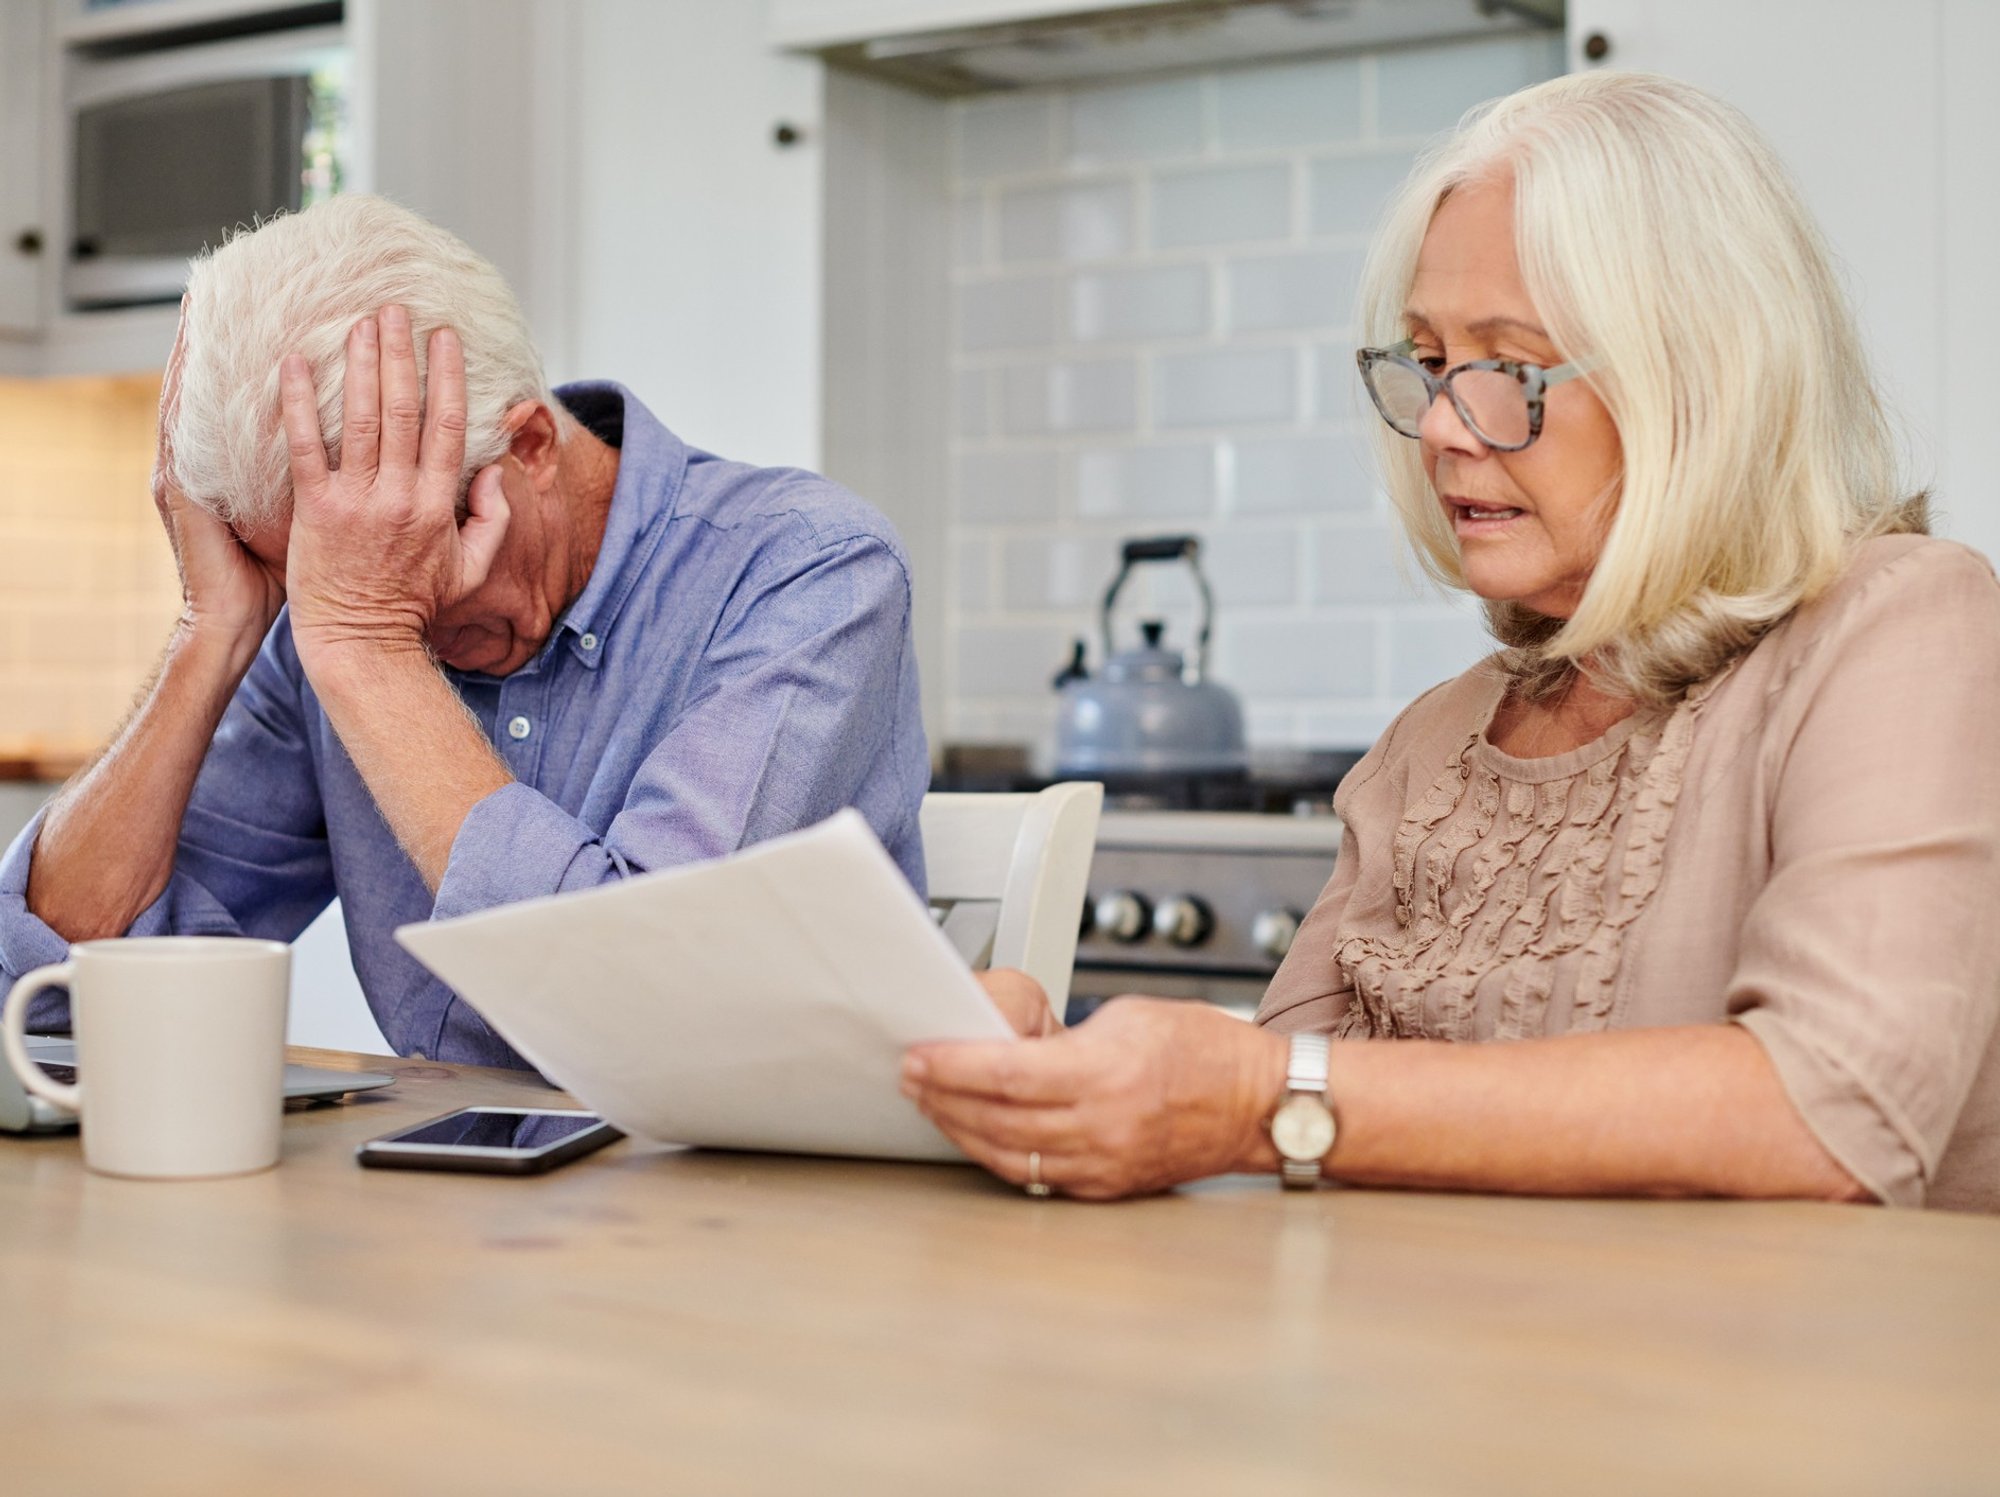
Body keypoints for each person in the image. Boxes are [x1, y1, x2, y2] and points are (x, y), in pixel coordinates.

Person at [904, 70, 2000, 1212]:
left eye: (1503, 369)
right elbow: (1277, 1123)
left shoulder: (1899, 626)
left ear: (1698, 383)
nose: (1438, 426)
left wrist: (1244, 1098)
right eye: (1426, 365)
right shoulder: (1429, 744)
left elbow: (1829, 1117)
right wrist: (1056, 1081)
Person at [0, 195, 929, 1067]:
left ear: (528, 447)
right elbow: (48, 1001)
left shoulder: (811, 570)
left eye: (400, 546)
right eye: (315, 576)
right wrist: (214, 631)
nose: (370, 595)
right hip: (436, 1211)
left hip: (736, 1210)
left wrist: (370, 644)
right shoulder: (322, 619)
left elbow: (642, 1011)